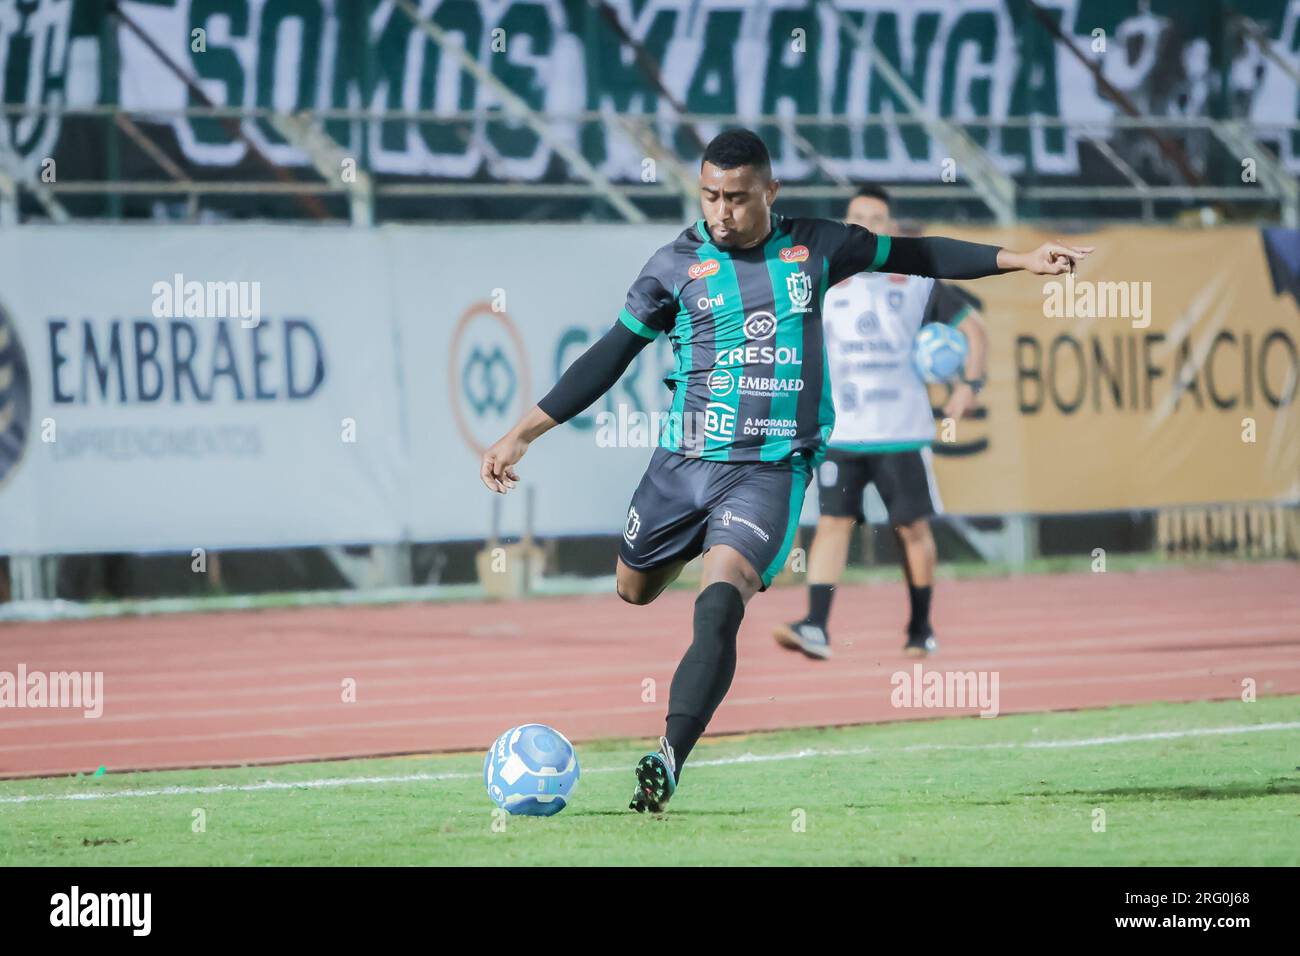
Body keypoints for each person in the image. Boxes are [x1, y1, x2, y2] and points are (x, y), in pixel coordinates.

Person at [479, 129, 1091, 813]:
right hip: (680, 465)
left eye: (737, 198)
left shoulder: (819, 247)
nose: (721, 211)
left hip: (770, 469)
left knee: (721, 602)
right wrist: (522, 434)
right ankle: (688, 553)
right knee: (633, 589)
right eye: (709, 195)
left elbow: (919, 255)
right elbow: (609, 354)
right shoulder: (672, 265)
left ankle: (670, 757)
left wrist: (1022, 258)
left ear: (769, 193)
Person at [773, 184, 987, 661]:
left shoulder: (917, 279)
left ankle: (920, 627)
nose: (867, 224)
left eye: (876, 216)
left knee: (911, 530)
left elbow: (974, 330)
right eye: (857, 217)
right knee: (832, 524)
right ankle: (816, 626)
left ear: (891, 227)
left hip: (901, 431)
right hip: (841, 431)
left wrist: (969, 386)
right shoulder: (821, 281)